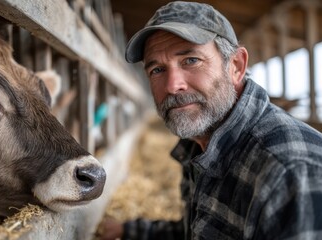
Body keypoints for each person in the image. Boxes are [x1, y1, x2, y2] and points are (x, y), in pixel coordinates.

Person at [99, 1, 322, 240]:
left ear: (236, 66)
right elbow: (196, 231)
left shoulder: (291, 172)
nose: (173, 86)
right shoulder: (203, 143)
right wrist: (128, 230)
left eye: (191, 60)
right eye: (157, 70)